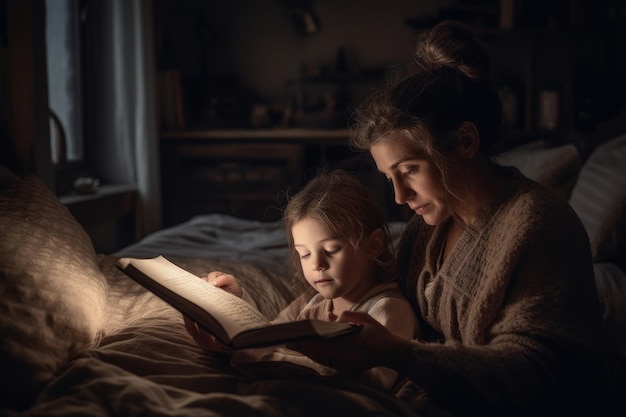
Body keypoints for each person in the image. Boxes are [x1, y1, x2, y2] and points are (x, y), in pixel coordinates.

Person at [281, 20, 618, 417]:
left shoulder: (538, 225)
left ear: (465, 143)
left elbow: (537, 374)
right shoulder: (429, 227)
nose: (400, 197)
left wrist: (399, 353)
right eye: (390, 177)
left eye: (409, 171)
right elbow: (364, 283)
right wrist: (246, 319)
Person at [185, 169, 418, 391]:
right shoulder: (313, 302)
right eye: (304, 254)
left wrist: (261, 358)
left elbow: (376, 381)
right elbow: (268, 336)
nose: (316, 264)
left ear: (374, 245)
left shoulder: (388, 308)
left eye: (330, 250)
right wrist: (234, 305)